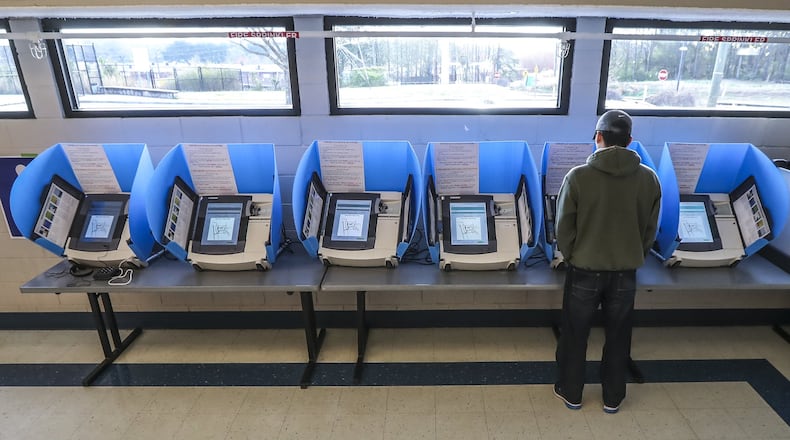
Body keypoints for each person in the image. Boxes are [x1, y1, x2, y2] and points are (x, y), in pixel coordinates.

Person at [553, 110, 661, 414]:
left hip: (584, 270)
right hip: (625, 272)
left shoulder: (578, 176)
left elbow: (564, 228)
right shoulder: (648, 179)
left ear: (598, 137)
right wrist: (632, 253)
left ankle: (571, 392)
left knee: (575, 333)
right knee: (619, 335)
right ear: (630, 141)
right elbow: (650, 229)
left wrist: (574, 255)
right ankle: (613, 398)